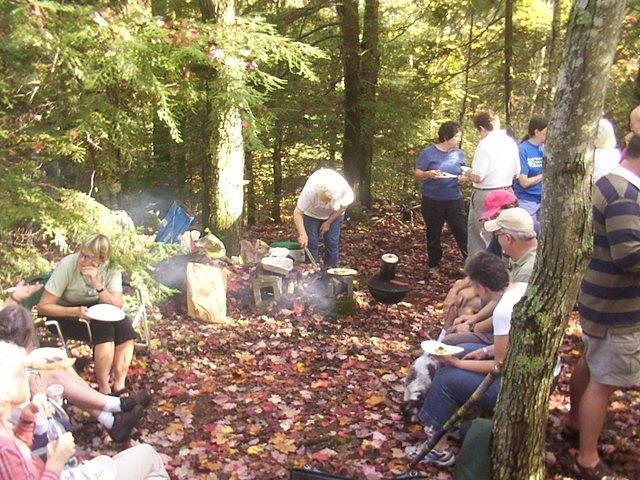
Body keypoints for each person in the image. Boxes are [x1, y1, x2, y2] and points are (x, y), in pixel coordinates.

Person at [568, 134, 640, 479]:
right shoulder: (625, 195)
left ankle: (574, 425)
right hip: (617, 303)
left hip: (600, 295)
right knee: (604, 381)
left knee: (591, 360)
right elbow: (629, 255)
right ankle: (587, 460)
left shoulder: (610, 182)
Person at [417, 251, 527, 466]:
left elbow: (500, 365)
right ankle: (451, 420)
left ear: (483, 288)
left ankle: (439, 450)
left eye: (476, 287)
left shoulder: (504, 309)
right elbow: (519, 342)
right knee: (462, 348)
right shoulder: (520, 288)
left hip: (522, 383)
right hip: (530, 366)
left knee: (448, 377)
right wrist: (484, 351)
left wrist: (459, 364)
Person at [0, 341, 170, 480]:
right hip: (54, 473)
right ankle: (116, 408)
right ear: (7, 390)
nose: (30, 377)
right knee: (148, 456)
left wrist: (26, 422)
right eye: (23, 374)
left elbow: (19, 453)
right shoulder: (3, 450)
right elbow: (12, 456)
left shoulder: (4, 428)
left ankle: (115, 413)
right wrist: (55, 463)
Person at [0, 304, 147, 442]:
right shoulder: (9, 382)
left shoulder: (10, 355)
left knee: (62, 368)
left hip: (27, 408)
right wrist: (39, 396)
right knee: (53, 374)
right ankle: (117, 406)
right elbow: (39, 426)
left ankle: (112, 419)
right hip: (29, 426)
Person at [37, 234, 136, 394]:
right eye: (81, 254)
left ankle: (119, 385)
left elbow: (117, 305)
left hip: (95, 310)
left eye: (88, 257)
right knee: (104, 329)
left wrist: (97, 284)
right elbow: (43, 307)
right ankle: (104, 389)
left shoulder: (111, 269)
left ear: (101, 261)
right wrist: (74, 311)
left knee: (124, 326)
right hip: (65, 313)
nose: (82, 260)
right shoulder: (68, 265)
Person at [444, 207, 537, 346]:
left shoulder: (527, 270)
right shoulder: (518, 254)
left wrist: (472, 328)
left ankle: (445, 345)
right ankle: (441, 340)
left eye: (497, 235)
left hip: (510, 335)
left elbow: (509, 315)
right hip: (500, 313)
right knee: (462, 301)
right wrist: (474, 318)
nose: (496, 240)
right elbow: (501, 296)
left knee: (453, 338)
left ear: (508, 238)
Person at [441, 190, 518, 333]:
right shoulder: (499, 234)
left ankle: (460, 339)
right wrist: (456, 288)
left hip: (508, 299)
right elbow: (483, 267)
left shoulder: (523, 235)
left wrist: (472, 326)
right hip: (499, 290)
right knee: (460, 296)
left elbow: (511, 290)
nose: (492, 220)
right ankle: (443, 340)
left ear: (511, 208)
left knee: (467, 304)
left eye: (496, 215)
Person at [414, 121, 470, 273]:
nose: (459, 139)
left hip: (454, 199)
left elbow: (464, 172)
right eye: (457, 136)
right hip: (432, 200)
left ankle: (470, 264)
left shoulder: (459, 153)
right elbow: (418, 174)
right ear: (446, 137)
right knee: (434, 233)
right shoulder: (428, 153)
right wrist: (428, 174)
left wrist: (464, 178)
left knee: (462, 231)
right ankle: (434, 264)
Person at [466, 110, 520, 257]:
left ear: (482, 128)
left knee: (480, 235)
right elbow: (517, 173)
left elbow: (478, 176)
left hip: (486, 193)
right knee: (504, 232)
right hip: (507, 192)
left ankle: (479, 272)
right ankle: (502, 269)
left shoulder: (485, 144)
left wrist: (468, 173)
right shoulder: (510, 142)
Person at [293, 168, 354, 267]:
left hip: (334, 215)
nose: (327, 203)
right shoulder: (310, 191)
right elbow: (297, 212)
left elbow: (343, 207)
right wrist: (302, 234)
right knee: (311, 243)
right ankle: (313, 271)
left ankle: (330, 272)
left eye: (330, 200)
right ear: (319, 193)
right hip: (311, 215)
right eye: (325, 200)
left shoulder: (344, 190)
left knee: (332, 242)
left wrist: (329, 222)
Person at [513, 116, 547, 222]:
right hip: (527, 200)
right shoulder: (523, 150)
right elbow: (524, 182)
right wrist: (544, 175)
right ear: (537, 132)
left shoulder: (544, 148)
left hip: (543, 198)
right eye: (546, 131)